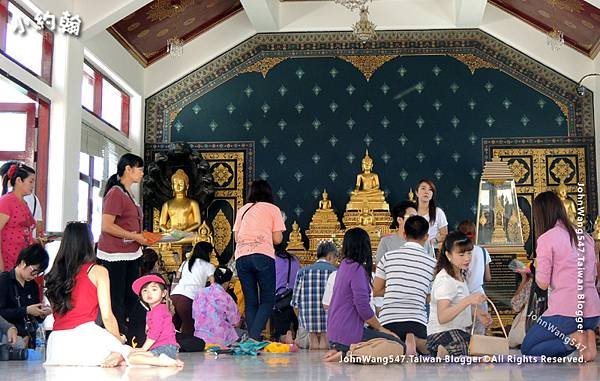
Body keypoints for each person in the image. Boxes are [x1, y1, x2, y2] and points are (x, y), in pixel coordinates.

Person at [521, 191, 600, 361]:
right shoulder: (586, 237)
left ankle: (575, 339)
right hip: (593, 313)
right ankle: (584, 339)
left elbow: (542, 284)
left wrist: (536, 267)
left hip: (567, 313)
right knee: (557, 342)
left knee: (528, 348)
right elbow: (593, 277)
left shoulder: (547, 238)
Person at [45, 222, 130, 366]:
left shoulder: (55, 273)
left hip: (56, 346)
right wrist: (118, 343)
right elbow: (107, 316)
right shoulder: (97, 271)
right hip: (85, 339)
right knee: (130, 354)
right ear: (90, 243)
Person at [324, 228, 413, 361]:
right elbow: (362, 307)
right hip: (349, 333)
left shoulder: (344, 266)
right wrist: (381, 328)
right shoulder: (357, 269)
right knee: (398, 346)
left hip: (334, 334)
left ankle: (345, 351)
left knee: (383, 340)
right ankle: (348, 354)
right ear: (365, 246)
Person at [97, 153, 148, 335]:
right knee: (116, 297)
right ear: (128, 169)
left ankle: (128, 332)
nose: (142, 173)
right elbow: (106, 225)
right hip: (115, 254)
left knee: (131, 295)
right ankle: (115, 334)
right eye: (140, 169)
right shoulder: (115, 194)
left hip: (131, 252)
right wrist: (134, 236)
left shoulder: (128, 193)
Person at [373, 215, 436, 354]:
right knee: (430, 351)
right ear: (426, 237)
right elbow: (432, 297)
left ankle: (399, 344)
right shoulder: (432, 264)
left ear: (404, 234)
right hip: (417, 321)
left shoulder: (387, 258)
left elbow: (376, 291)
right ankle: (414, 340)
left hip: (389, 320)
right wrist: (416, 291)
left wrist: (395, 289)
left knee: (386, 350)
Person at [232, 180, 286, 340]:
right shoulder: (273, 209)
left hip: (241, 257)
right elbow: (277, 239)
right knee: (268, 300)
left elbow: (236, 237)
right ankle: (253, 338)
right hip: (262, 256)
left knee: (250, 302)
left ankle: (252, 338)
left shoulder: (243, 209)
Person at [427, 231, 491, 356]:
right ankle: (444, 351)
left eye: (469, 253)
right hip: (441, 334)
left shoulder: (459, 275)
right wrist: (468, 300)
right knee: (478, 350)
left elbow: (457, 305)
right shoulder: (445, 280)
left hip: (457, 332)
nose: (467, 258)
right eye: (461, 254)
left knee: (482, 348)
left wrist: (477, 314)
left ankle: (448, 353)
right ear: (448, 255)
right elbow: (443, 317)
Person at [128, 274, 183, 367]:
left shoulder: (158, 310)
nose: (149, 293)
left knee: (132, 358)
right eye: (145, 290)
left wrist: (143, 349)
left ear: (163, 293)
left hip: (164, 348)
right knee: (131, 357)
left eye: (154, 289)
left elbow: (154, 333)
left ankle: (163, 361)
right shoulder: (155, 310)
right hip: (163, 348)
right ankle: (165, 360)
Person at [0, 244, 50, 347]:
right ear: (23, 263)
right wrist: (26, 310)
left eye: (39, 273)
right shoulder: (4, 280)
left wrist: (42, 313)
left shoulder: (33, 285)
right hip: (9, 340)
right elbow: (1, 313)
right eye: (34, 271)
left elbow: (35, 317)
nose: (35, 276)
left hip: (30, 341)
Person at [291, 241, 337, 350]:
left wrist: (303, 321)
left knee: (311, 340)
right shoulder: (336, 272)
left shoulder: (302, 272)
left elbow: (295, 303)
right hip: (329, 321)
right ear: (330, 256)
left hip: (308, 321)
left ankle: (312, 338)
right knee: (326, 341)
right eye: (336, 258)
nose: (336, 261)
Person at [171, 241, 215, 335]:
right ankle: (187, 348)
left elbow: (177, 277)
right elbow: (213, 285)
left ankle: (169, 346)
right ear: (208, 253)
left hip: (174, 295)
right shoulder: (208, 266)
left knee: (173, 327)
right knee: (189, 327)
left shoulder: (186, 263)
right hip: (188, 299)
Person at [0, 162, 36, 271]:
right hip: (8, 264)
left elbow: (21, 232)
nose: (33, 185)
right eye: (30, 181)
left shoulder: (24, 203)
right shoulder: (6, 202)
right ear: (19, 180)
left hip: (22, 265)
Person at [457, 220, 492, 335]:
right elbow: (488, 277)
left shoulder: (457, 254)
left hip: (461, 296)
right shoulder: (483, 251)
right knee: (479, 333)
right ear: (475, 234)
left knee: (462, 332)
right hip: (479, 296)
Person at [192, 266, 241, 346]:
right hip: (219, 340)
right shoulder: (226, 297)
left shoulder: (200, 292)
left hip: (199, 338)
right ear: (226, 283)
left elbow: (194, 315)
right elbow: (236, 322)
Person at [272, 243, 300, 343]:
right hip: (295, 296)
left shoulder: (273, 259)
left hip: (280, 297)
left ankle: (285, 335)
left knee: (281, 327)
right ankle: (295, 335)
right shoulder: (294, 259)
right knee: (296, 322)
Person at [415, 179, 448, 251]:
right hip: (413, 249)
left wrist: (435, 240)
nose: (426, 192)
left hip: (432, 250)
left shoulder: (438, 212)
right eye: (423, 188)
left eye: (430, 189)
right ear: (416, 192)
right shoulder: (411, 212)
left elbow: (444, 234)